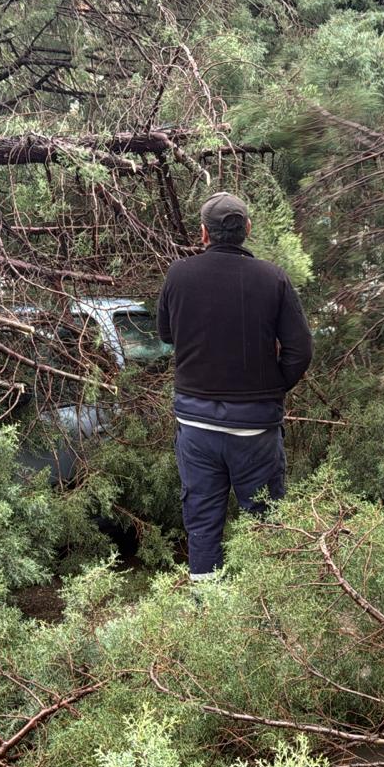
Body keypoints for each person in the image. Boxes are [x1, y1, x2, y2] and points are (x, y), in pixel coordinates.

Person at [156, 192, 313, 581]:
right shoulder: (273, 277)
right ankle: (267, 613)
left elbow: (165, 334)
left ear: (203, 234)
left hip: (196, 428)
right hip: (255, 431)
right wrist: (272, 387)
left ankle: (208, 615)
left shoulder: (179, 274)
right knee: (266, 526)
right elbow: (300, 350)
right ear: (247, 230)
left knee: (203, 523)